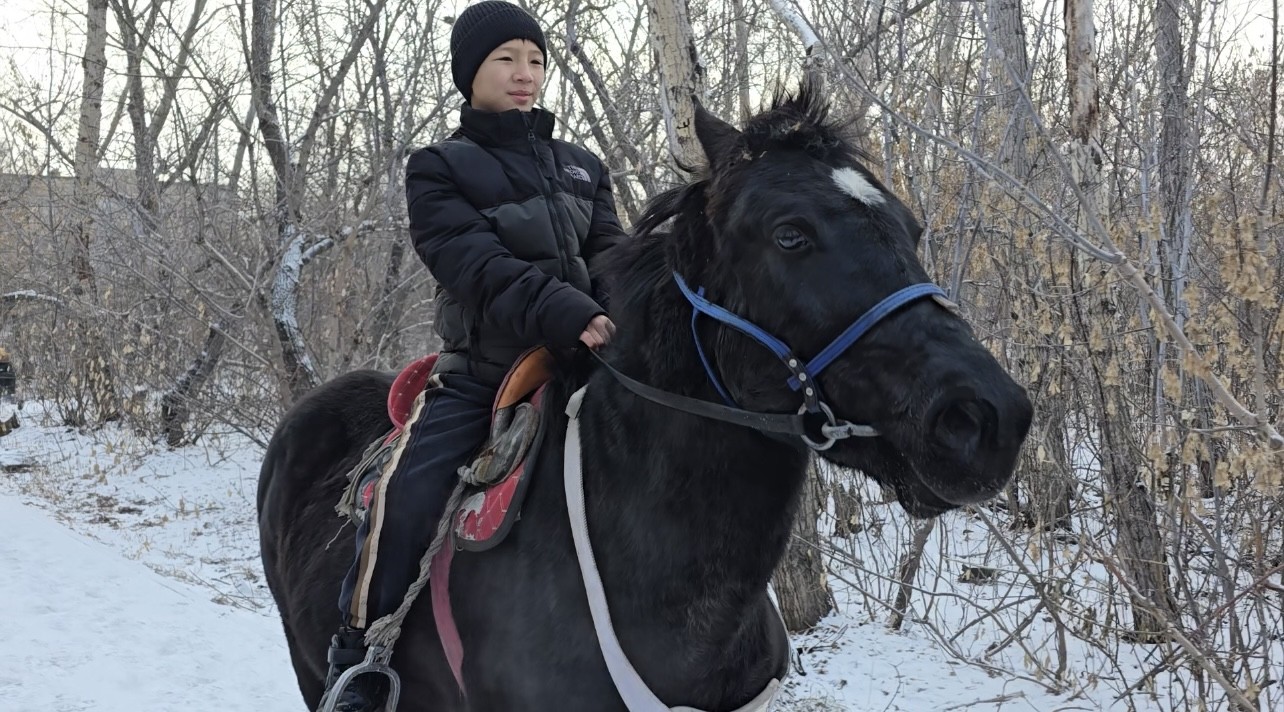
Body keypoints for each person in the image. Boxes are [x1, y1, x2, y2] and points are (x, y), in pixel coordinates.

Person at [323, 2, 628, 709]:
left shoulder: (583, 167)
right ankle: (360, 655)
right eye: (506, 59)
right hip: (483, 377)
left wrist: (627, 306)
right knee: (406, 496)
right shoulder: (439, 167)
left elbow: (613, 253)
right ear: (470, 72)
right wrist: (571, 312)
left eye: (536, 60)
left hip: (589, 362)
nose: (525, 74)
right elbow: (474, 264)